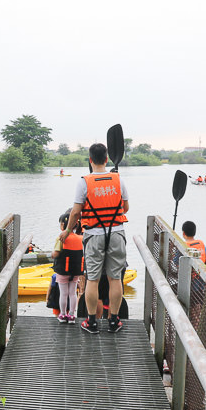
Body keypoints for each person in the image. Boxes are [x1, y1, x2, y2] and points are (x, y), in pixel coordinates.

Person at [60, 142, 129, 334]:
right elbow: (126, 208)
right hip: (116, 232)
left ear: (90, 160)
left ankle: (91, 322)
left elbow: (75, 213)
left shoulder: (84, 181)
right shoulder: (118, 179)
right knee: (116, 279)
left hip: (93, 234)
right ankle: (114, 321)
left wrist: (67, 231)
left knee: (93, 279)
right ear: (106, 159)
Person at [52, 211, 83, 324]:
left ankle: (63, 314)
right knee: (73, 293)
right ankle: (71, 316)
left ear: (62, 225)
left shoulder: (61, 238)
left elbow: (55, 253)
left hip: (62, 271)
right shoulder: (81, 238)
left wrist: (52, 255)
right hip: (75, 271)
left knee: (63, 294)